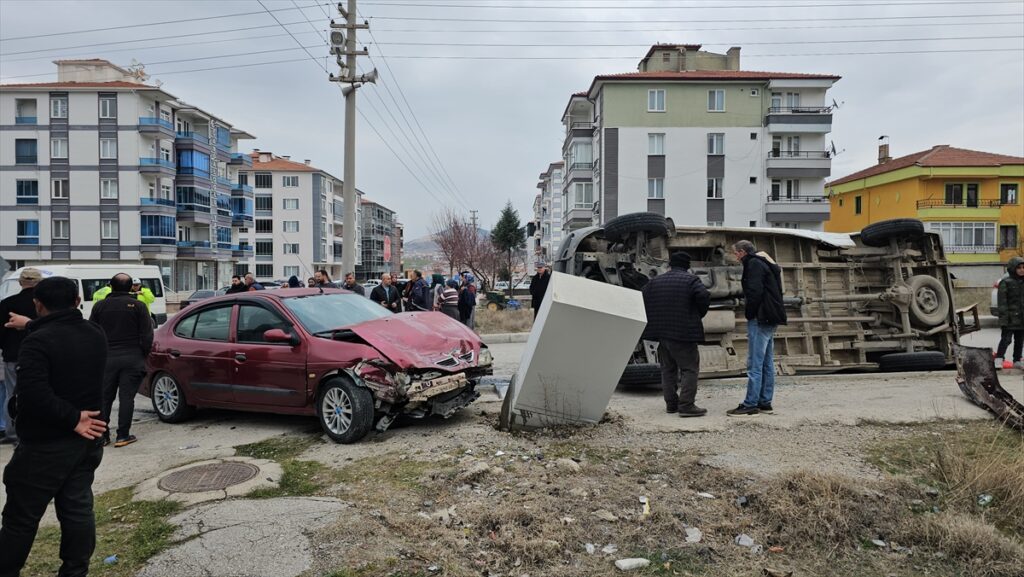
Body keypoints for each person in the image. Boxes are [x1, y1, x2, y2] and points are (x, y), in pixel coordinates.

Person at [0, 276, 108, 577]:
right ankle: (75, 571)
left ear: (37, 304)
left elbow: (34, 394)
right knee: (77, 509)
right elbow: (62, 332)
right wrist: (31, 325)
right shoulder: (95, 333)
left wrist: (73, 418)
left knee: (21, 517)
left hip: (47, 442)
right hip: (89, 440)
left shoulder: (37, 342)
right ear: (77, 301)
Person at [641, 252, 710, 417]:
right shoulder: (691, 280)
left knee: (667, 370)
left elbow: (642, 298)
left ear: (670, 264)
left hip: (661, 334)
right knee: (689, 369)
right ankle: (686, 406)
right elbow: (704, 296)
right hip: (684, 333)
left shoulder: (654, 282)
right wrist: (696, 314)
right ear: (687, 266)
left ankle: (671, 404)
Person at [90, 273, 154, 447]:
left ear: (111, 286)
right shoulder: (138, 306)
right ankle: (123, 435)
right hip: (132, 357)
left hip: (107, 358)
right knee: (127, 398)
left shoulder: (99, 306)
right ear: (131, 287)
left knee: (105, 398)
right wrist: (143, 355)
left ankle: (102, 436)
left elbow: (93, 333)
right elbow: (147, 335)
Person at [728, 240, 787, 417]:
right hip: (771, 316)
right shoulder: (764, 263)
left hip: (760, 318)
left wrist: (749, 314)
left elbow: (754, 292)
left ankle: (750, 404)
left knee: (754, 363)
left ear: (742, 252)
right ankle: (765, 401)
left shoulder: (753, 264)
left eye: (736, 253)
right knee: (767, 362)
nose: (736, 257)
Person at [0, 268, 43, 445]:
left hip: (13, 354)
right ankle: (36, 429)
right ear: (39, 283)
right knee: (39, 392)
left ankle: (12, 432)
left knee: (12, 394)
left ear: (20, 282)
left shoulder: (7, 303)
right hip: (39, 355)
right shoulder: (42, 303)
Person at [995, 256, 1024, 370]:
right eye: (1019, 268)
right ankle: (999, 359)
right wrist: (1003, 319)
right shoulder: (1006, 282)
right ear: (1013, 268)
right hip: (1010, 318)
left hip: (1021, 318)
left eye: (1023, 267)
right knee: (1006, 339)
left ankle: (1017, 360)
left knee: (1019, 340)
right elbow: (1002, 303)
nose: (1022, 270)